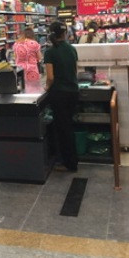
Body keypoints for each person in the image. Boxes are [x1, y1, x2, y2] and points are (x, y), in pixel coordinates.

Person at [44, 21, 79, 172]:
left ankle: (68, 163)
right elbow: (75, 71)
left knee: (62, 130)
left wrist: (47, 87)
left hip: (59, 93)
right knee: (69, 126)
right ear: (65, 33)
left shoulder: (50, 52)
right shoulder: (72, 49)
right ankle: (72, 160)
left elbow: (50, 77)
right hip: (73, 92)